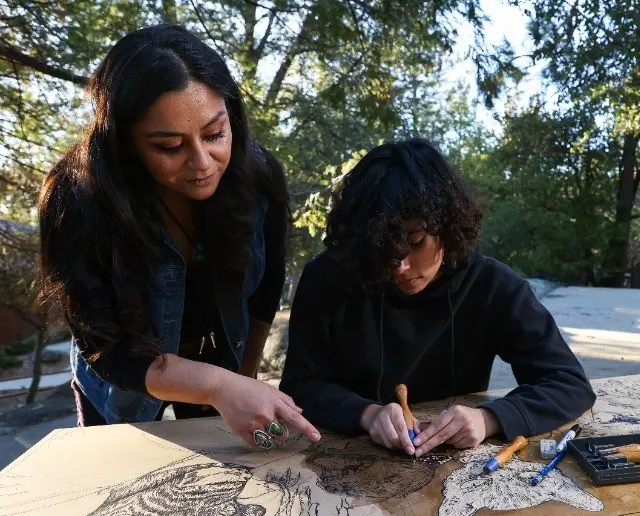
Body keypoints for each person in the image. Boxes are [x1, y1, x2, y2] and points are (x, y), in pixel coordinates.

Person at [38, 24, 320, 448]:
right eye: (170, 146)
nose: (203, 162)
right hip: (124, 385)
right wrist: (217, 385)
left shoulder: (258, 176)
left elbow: (264, 295)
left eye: (214, 134)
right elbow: (107, 349)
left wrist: (242, 379)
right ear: (123, 144)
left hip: (220, 365)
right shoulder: (77, 199)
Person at [280, 139, 595, 457]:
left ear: (448, 225)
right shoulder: (328, 279)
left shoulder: (491, 286)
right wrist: (365, 413)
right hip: (345, 462)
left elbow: (568, 383)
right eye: (382, 248)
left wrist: (490, 418)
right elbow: (300, 385)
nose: (400, 266)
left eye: (415, 242)